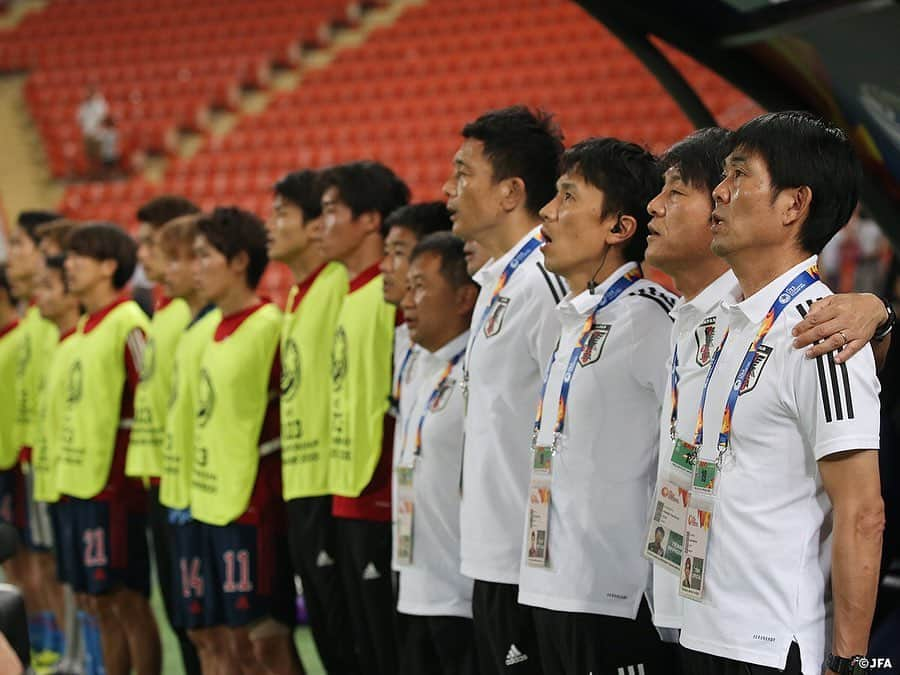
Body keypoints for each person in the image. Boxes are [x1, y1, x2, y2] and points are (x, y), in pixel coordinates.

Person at [643, 127, 894, 659]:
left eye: (738, 175)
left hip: (770, 643)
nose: (720, 191)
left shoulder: (823, 332)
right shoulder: (726, 321)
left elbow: (861, 512)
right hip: (701, 629)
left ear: (794, 205)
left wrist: (850, 663)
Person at [518, 137, 674, 675]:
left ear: (619, 227)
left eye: (566, 196)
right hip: (553, 585)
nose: (546, 211)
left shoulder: (651, 318)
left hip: (615, 598)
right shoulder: (572, 320)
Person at [442, 105, 565, 675]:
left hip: (529, 562)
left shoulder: (545, 283)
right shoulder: (499, 280)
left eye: (463, 174)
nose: (449, 189)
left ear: (510, 192)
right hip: (492, 556)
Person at [189, 207, 303, 675]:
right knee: (233, 641)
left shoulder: (269, 325)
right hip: (213, 502)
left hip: (255, 508)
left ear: (238, 261)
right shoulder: (209, 330)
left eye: (204, 256)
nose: (196, 267)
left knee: (267, 643)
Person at [57, 223, 160, 675]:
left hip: (116, 486)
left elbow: (150, 396)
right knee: (99, 603)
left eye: (81, 256)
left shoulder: (129, 322)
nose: (69, 265)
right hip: (80, 480)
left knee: (127, 600)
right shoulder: (81, 329)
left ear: (109, 267)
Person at [265, 170, 357, 674]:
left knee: (347, 635)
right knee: (325, 632)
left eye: (282, 214)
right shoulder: (297, 295)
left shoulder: (338, 281)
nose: (270, 225)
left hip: (330, 481)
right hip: (299, 480)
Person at [320, 160, 410, 675]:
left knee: (388, 650)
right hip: (345, 490)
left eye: (333, 210)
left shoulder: (394, 295)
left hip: (382, 500)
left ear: (370, 219)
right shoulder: (348, 293)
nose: (321, 223)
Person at [395, 232, 479, 675]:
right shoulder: (415, 362)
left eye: (421, 286)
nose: (408, 300)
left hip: (463, 594)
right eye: (407, 286)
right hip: (413, 583)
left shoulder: (477, 368)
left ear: (464, 297)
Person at [128, 194, 202, 675]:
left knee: (203, 622)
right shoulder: (163, 315)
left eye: (153, 245)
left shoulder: (187, 321)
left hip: (190, 487)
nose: (145, 255)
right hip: (161, 478)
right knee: (181, 613)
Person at [152, 214, 223, 674]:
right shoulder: (185, 325)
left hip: (213, 496)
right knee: (198, 628)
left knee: (228, 634)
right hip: (179, 489)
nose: (163, 270)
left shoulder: (217, 327)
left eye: (175, 259)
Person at [380, 202, 451, 604]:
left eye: (399, 253)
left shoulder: (456, 351)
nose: (387, 267)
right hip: (410, 544)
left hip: (451, 562)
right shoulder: (407, 340)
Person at [6, 210, 65, 661]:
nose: (13, 253)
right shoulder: (29, 326)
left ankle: (63, 647)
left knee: (48, 561)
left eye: (21, 243)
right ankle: (48, 642)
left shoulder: (50, 329)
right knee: (30, 557)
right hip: (26, 459)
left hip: (49, 462)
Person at [32, 254, 86, 673]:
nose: (38, 296)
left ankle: (85, 660)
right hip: (58, 475)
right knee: (73, 581)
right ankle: (71, 654)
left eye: (50, 285)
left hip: (90, 481)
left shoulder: (106, 332)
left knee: (109, 596)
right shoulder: (61, 344)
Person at [132, 195, 200, 317]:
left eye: (150, 243)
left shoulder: (193, 311)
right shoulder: (164, 307)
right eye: (141, 244)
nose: (140, 254)